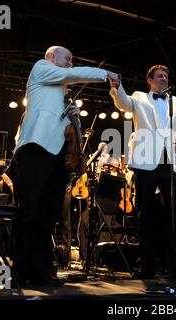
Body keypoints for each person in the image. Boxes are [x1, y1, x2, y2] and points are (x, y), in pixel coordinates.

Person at [12, 45, 119, 287]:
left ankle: (41, 271)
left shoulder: (63, 94)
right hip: (36, 148)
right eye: (68, 59)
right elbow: (72, 74)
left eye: (72, 60)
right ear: (51, 57)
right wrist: (105, 74)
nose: (71, 64)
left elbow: (73, 135)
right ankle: (19, 269)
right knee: (30, 210)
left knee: (49, 214)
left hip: (58, 156)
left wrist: (75, 118)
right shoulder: (41, 68)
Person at [109, 64, 176, 279]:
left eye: (166, 76)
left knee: (173, 214)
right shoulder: (140, 97)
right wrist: (118, 88)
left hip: (170, 162)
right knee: (145, 214)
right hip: (146, 162)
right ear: (150, 80)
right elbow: (124, 104)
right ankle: (147, 267)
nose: (164, 79)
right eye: (160, 76)